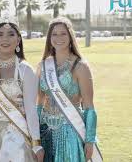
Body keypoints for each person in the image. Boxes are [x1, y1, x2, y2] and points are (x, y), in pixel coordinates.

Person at [0, 14, 44, 162]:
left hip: (15, 136)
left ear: (18, 40)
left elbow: (31, 109)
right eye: (0, 35)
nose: (5, 39)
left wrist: (36, 143)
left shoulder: (25, 69)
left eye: (10, 34)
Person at [37, 17, 102, 162]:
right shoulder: (43, 66)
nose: (58, 38)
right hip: (45, 131)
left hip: (70, 131)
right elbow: (39, 103)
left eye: (63, 34)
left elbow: (89, 106)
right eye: (54, 34)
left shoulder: (80, 66)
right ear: (49, 38)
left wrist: (90, 140)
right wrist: (35, 137)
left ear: (70, 36)